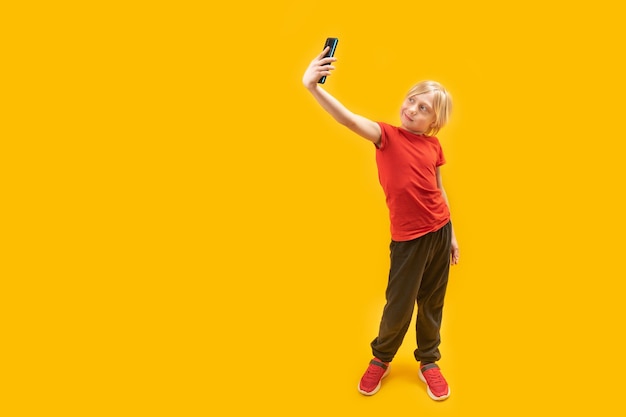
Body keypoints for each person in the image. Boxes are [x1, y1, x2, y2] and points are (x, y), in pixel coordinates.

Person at [302, 45, 460, 401]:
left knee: (433, 301)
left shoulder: (434, 148)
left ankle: (429, 361)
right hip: (408, 240)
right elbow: (347, 119)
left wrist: (451, 235)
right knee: (398, 305)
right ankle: (381, 357)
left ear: (434, 123)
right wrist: (314, 87)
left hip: (439, 232)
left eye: (423, 109)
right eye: (411, 101)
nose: (412, 109)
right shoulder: (386, 136)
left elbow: (439, 189)